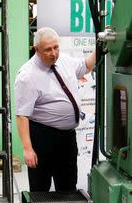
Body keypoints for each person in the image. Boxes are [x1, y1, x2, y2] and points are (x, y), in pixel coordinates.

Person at [14, 27, 97, 192]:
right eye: (48, 50)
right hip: (43, 137)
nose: (53, 53)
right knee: (40, 187)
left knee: (68, 185)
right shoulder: (27, 76)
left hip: (66, 138)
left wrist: (100, 45)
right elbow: (22, 116)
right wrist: (27, 149)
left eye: (56, 47)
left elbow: (86, 65)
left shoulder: (64, 60)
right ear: (36, 50)